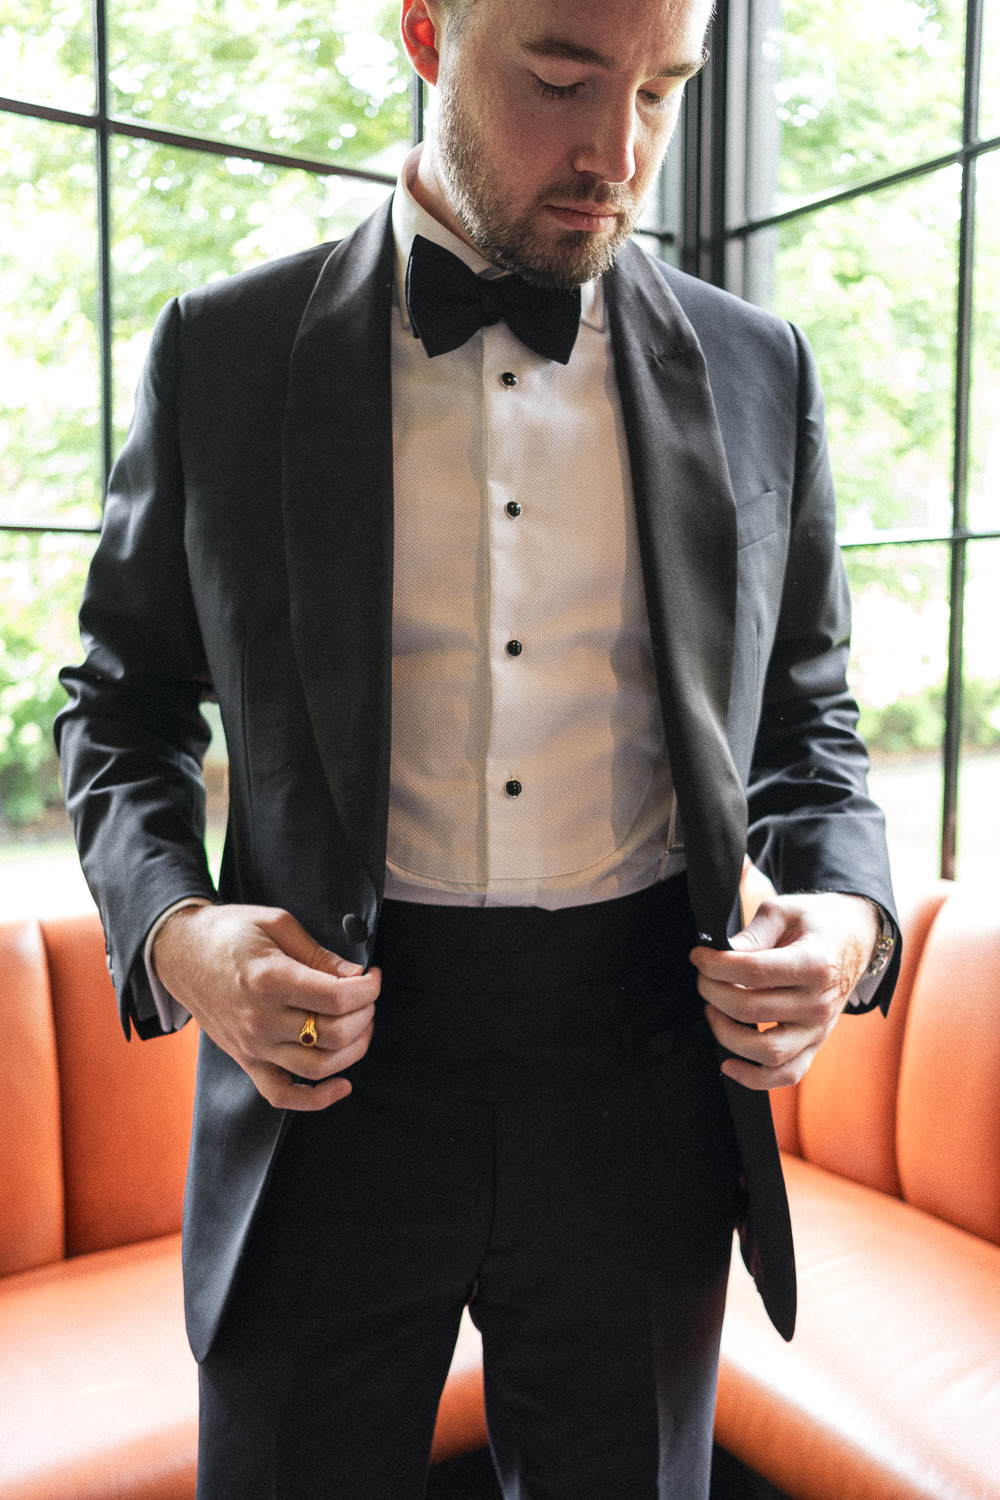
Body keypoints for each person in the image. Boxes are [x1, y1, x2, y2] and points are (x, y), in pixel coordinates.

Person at [56, 0, 900, 1494]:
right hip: (325, 1088)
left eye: (663, 89)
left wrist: (845, 917)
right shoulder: (228, 353)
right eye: (564, 76)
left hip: (643, 1085)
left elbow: (809, 723)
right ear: (429, 30)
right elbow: (119, 707)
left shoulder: (764, 367)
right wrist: (182, 938)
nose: (616, 152)